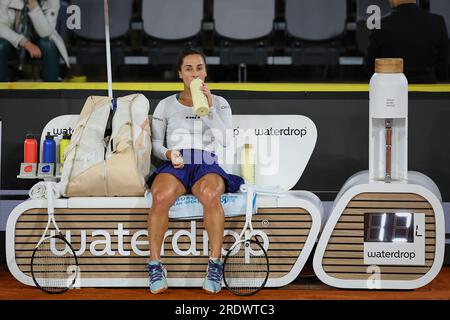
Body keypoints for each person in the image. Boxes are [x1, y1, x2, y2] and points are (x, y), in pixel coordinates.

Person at [146, 48, 244, 294]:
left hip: (206, 163)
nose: (194, 73)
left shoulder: (220, 103)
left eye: (199, 68)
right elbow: (156, 144)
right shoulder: (166, 105)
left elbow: (224, 141)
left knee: (211, 195)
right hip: (176, 163)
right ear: (180, 74)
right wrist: (169, 154)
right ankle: (155, 265)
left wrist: (209, 109)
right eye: (188, 69)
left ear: (205, 72)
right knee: (159, 196)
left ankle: (214, 264)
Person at [365, 0, 448, 83]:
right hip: (429, 87)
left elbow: (370, 65)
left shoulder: (379, 24)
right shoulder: (437, 21)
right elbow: (443, 63)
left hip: (391, 88)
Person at [0, 0, 69, 82]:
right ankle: (2, 90)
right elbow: (1, 27)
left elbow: (45, 33)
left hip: (39, 45)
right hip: (13, 43)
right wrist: (24, 42)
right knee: (1, 44)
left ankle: (51, 90)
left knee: (48, 44)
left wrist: (33, 5)